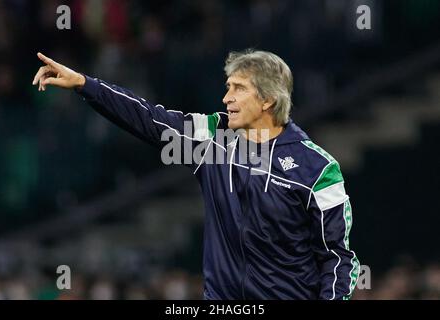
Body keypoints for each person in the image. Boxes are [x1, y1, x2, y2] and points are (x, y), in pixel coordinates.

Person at [32, 49, 360, 300]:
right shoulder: (213, 135)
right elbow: (149, 119)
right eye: (228, 87)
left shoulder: (318, 169)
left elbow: (339, 261)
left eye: (238, 89)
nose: (226, 98)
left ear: (268, 100)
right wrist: (85, 84)